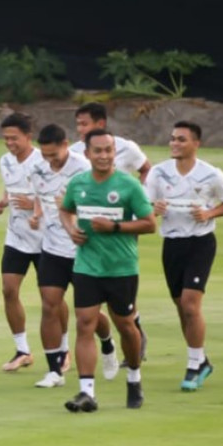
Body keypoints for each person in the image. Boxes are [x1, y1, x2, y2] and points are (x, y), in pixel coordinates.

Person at [60, 129, 156, 413]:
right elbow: (65, 210)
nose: (104, 155)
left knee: (126, 325)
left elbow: (150, 223)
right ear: (87, 154)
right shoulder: (77, 184)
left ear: (115, 153)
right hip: (87, 265)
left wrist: (115, 227)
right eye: (98, 151)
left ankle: (134, 377)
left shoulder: (128, 186)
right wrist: (71, 229)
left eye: (109, 150)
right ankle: (86, 392)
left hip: (121, 268)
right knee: (84, 324)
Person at [145, 121, 223, 392]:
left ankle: (193, 365)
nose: (174, 144)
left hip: (200, 243)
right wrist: (155, 208)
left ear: (196, 143)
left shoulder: (211, 174)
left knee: (190, 304)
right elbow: (145, 208)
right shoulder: (158, 173)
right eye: (172, 139)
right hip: (172, 244)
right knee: (181, 307)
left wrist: (209, 214)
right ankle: (203, 360)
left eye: (181, 140)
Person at [29, 124, 120, 389]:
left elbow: (103, 204)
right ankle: (54, 370)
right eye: (45, 155)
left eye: (54, 155)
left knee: (87, 314)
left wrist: (70, 208)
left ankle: (106, 342)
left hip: (84, 249)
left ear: (66, 144)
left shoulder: (84, 169)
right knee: (49, 305)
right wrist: (37, 214)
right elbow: (40, 196)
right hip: (52, 248)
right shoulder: (37, 169)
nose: (49, 160)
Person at [70, 102, 152, 356]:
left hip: (121, 222)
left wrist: (140, 202)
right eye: (78, 124)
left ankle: (132, 329)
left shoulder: (128, 148)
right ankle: (113, 340)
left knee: (120, 277)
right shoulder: (77, 151)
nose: (80, 129)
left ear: (101, 124)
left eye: (84, 124)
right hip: (90, 229)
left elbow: (146, 169)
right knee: (90, 296)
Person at [0, 112, 45, 372]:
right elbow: (10, 187)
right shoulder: (5, 161)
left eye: (14, 138)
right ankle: (23, 349)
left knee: (52, 299)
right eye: (5, 138)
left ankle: (63, 350)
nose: (9, 143)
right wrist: (2, 202)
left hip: (47, 238)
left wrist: (34, 205)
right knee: (9, 290)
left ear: (28, 136)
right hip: (16, 235)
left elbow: (60, 197)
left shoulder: (43, 161)